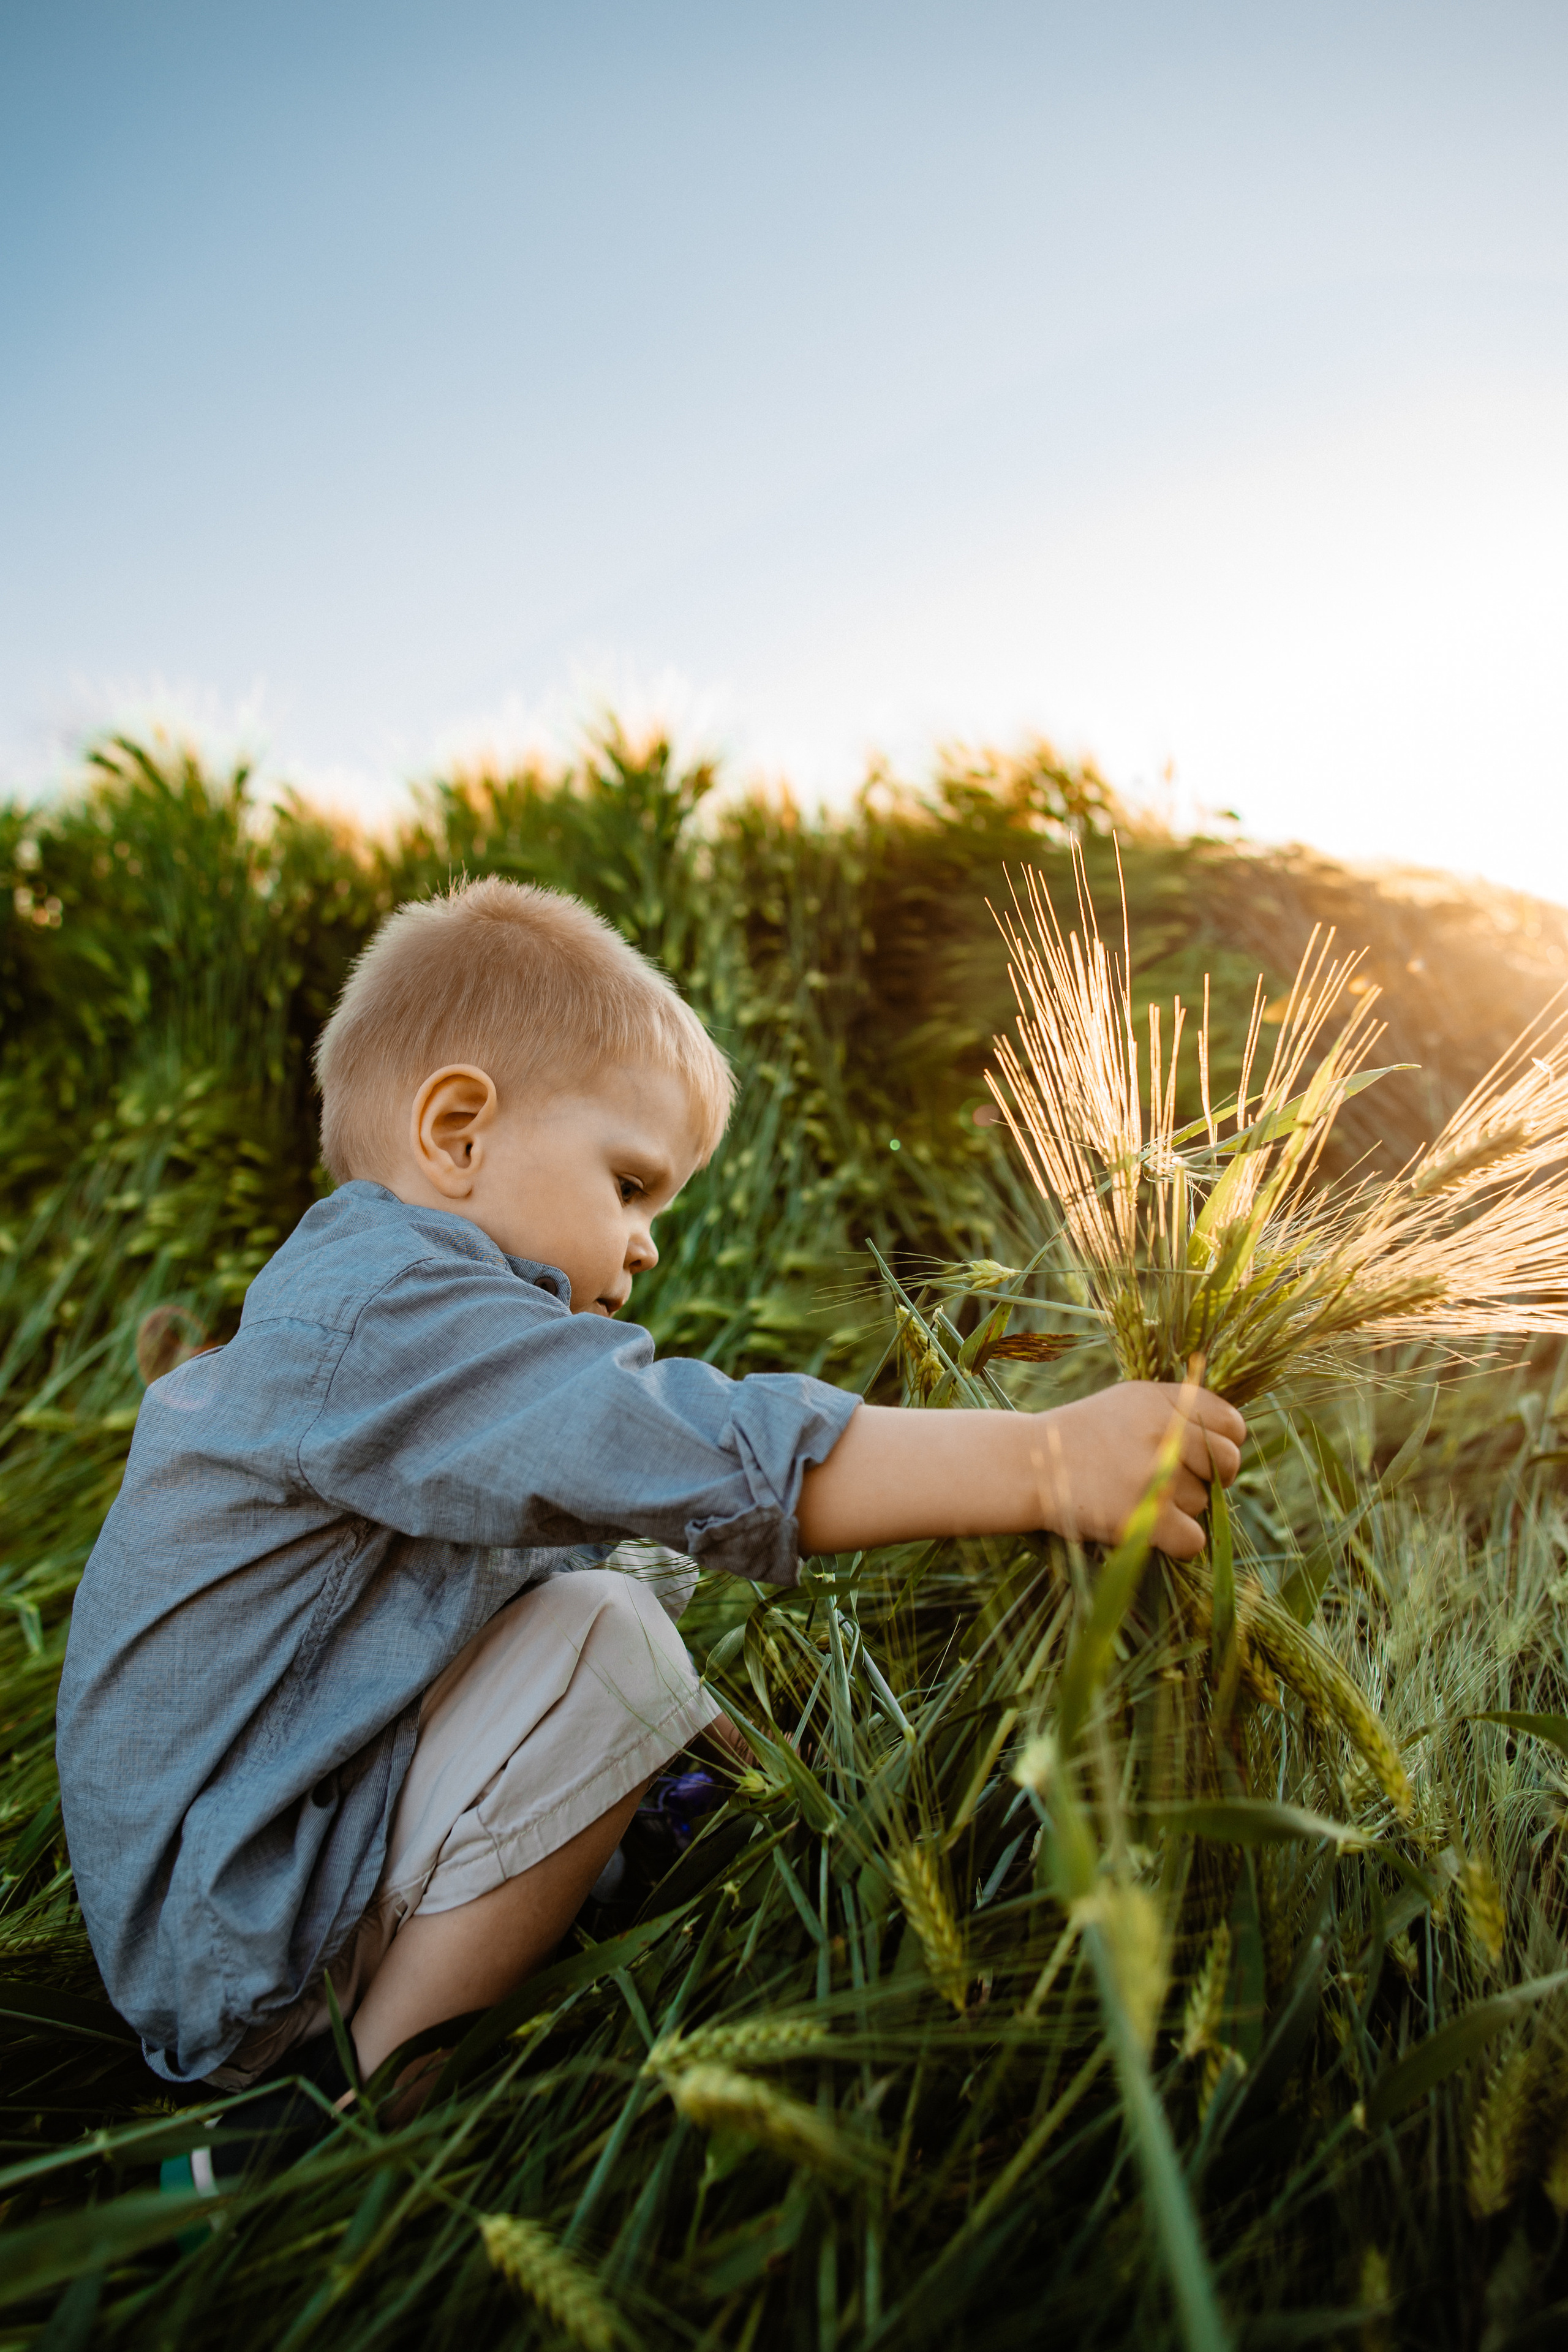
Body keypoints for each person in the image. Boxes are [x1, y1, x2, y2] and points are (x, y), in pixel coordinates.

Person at [56, 876, 1244, 2163]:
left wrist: (704, 1743)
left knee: (601, 1623)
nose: (648, 1247)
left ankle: (635, 1825)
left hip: (249, 1876)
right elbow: (670, 1446)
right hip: (238, 1938)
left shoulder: (363, 1319)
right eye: (629, 1186)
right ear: (456, 1133)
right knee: (608, 1641)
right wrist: (1039, 1459)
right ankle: (341, 2125)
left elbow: (497, 1582)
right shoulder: (386, 1311)